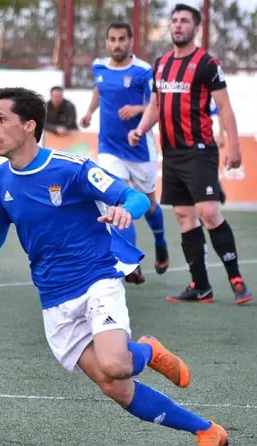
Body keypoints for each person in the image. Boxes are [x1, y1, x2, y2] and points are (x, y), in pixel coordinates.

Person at [0, 87, 229, 446]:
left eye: (1, 119)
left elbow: (135, 197)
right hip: (53, 298)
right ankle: (206, 430)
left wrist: (126, 212)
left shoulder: (70, 169)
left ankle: (148, 350)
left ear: (29, 126)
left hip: (96, 279)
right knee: (115, 387)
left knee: (117, 363)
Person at [128, 4, 252, 304]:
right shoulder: (161, 64)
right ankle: (200, 285)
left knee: (208, 212)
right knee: (184, 216)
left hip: (200, 151)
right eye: (174, 20)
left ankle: (236, 279)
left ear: (195, 27)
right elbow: (156, 106)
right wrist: (141, 129)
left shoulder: (208, 63)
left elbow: (224, 107)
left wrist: (234, 145)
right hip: (171, 153)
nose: (178, 25)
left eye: (185, 21)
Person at [80, 21, 169, 279]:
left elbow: (156, 103)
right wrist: (89, 112)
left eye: (122, 39)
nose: (117, 44)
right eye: (112, 39)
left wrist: (137, 110)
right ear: (107, 42)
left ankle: (160, 242)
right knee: (117, 201)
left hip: (140, 149)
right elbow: (100, 89)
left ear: (131, 42)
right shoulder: (98, 67)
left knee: (149, 204)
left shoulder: (143, 71)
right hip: (109, 147)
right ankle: (130, 263)